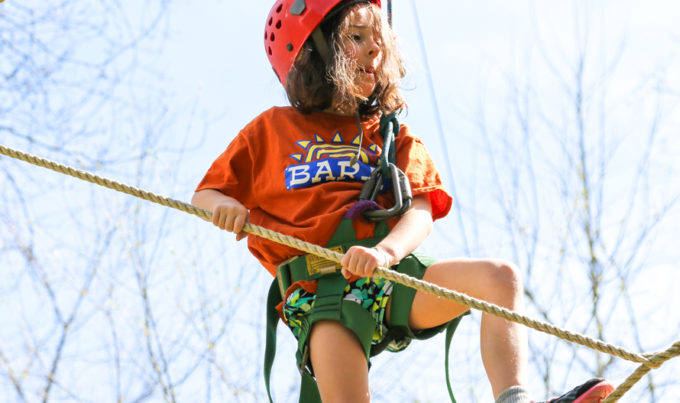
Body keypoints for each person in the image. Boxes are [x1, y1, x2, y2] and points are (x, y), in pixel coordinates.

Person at [191, 1, 614, 402]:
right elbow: (207, 194)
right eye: (357, 36)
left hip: (389, 276)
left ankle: (516, 399)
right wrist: (224, 208)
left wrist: (385, 252)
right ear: (312, 52)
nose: (375, 48)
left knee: (500, 279)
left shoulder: (392, 136)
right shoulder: (271, 131)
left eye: (379, 40)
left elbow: (421, 208)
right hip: (322, 291)